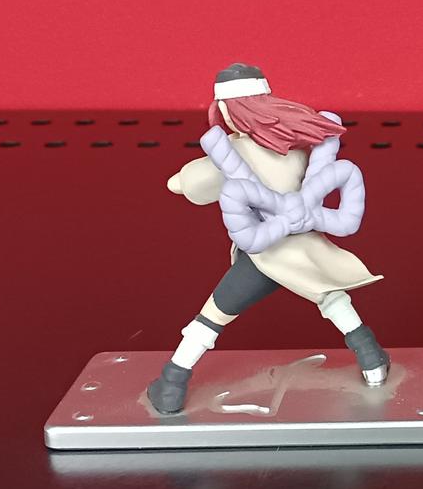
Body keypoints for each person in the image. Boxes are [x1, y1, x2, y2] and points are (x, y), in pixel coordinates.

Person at [145, 63, 389, 414]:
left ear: (226, 111)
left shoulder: (232, 155)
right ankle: (372, 360)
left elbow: (188, 185)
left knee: (213, 316)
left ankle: (172, 382)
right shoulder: (295, 148)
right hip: (305, 251)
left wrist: (183, 180)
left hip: (264, 258)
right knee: (330, 296)